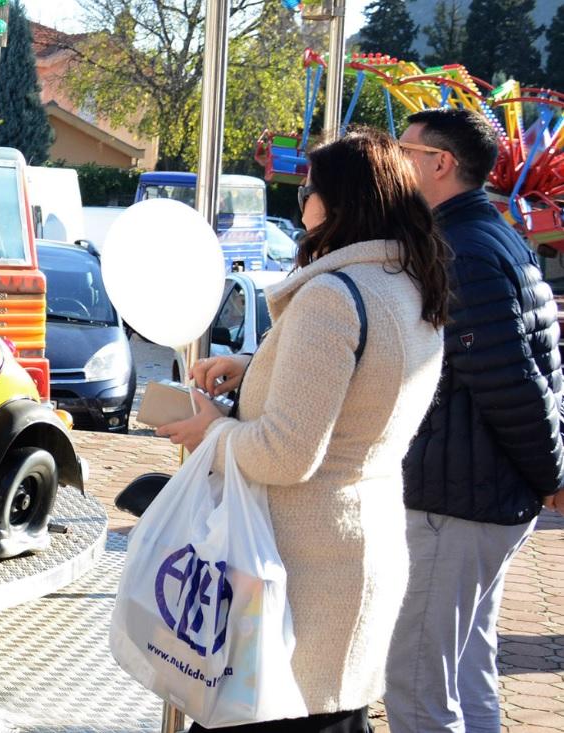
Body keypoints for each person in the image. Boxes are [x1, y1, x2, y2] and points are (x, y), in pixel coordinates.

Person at [156, 129, 451, 732]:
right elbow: (362, 395)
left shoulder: (332, 297)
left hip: (298, 567)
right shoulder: (406, 284)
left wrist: (212, 432)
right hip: (358, 551)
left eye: (308, 190)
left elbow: (287, 454)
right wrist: (258, 368)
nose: (301, 203)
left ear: (338, 202)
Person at [384, 108, 564, 733]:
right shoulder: (489, 235)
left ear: (441, 164)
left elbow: (510, 384)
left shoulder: (460, 250)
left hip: (458, 502)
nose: (392, 161)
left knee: (416, 692)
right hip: (481, 495)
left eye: (402, 150)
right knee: (465, 675)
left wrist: (551, 475)